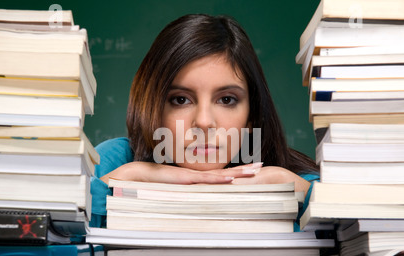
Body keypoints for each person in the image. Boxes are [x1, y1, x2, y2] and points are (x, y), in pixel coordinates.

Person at [90, 14, 319, 229]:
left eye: (227, 99)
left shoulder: (295, 179)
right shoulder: (116, 163)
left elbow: (348, 240)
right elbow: (61, 241)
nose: (203, 122)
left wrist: (284, 182)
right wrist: (133, 176)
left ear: (252, 115)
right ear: (153, 108)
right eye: (180, 100)